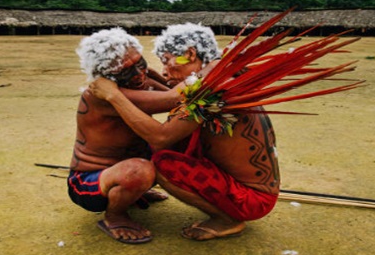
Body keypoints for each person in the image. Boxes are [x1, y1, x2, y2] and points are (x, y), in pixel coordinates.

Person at [89, 23, 280, 241]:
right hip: (255, 190)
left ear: (189, 54)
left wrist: (114, 95)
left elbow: (161, 137)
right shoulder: (219, 75)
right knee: (174, 137)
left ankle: (227, 220)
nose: (163, 70)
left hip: (251, 199)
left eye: (166, 61)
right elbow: (176, 99)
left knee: (162, 159)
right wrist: (148, 75)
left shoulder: (212, 89)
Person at [70, 27, 180, 244]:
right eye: (125, 71)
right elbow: (174, 98)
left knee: (179, 143)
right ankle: (115, 216)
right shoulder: (102, 95)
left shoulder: (140, 79)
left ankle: (133, 192)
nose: (138, 74)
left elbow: (172, 90)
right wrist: (213, 67)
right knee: (139, 171)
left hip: (125, 167)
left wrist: (157, 72)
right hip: (89, 184)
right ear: (106, 77)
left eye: (140, 62)